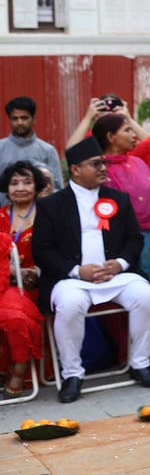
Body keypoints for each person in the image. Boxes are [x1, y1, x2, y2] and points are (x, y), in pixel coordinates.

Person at [32, 138, 150, 403]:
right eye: (96, 164)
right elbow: (42, 250)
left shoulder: (119, 199)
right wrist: (77, 271)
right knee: (69, 304)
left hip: (115, 275)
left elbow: (134, 240)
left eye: (103, 162)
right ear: (76, 169)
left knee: (145, 296)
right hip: (72, 279)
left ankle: (140, 364)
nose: (103, 168)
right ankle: (72, 374)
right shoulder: (51, 205)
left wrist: (120, 264)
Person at [92, 113, 150, 313]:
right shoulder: (99, 170)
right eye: (127, 130)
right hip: (120, 246)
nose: (133, 134)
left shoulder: (137, 162)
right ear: (111, 137)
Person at [0, 161, 47, 398]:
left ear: (37, 186)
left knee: (15, 314)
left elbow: (59, 253)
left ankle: (20, 370)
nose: (20, 187)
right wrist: (10, 272)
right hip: (3, 283)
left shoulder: (48, 215)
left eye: (27, 182)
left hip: (37, 285)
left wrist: (37, 272)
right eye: (14, 183)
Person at [0, 96, 63, 196]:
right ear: (9, 120)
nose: (19, 123)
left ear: (34, 119)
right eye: (15, 119)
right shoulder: (1, 148)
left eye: (24, 118)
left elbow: (58, 189)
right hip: (4, 210)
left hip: (39, 210)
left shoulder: (47, 150)